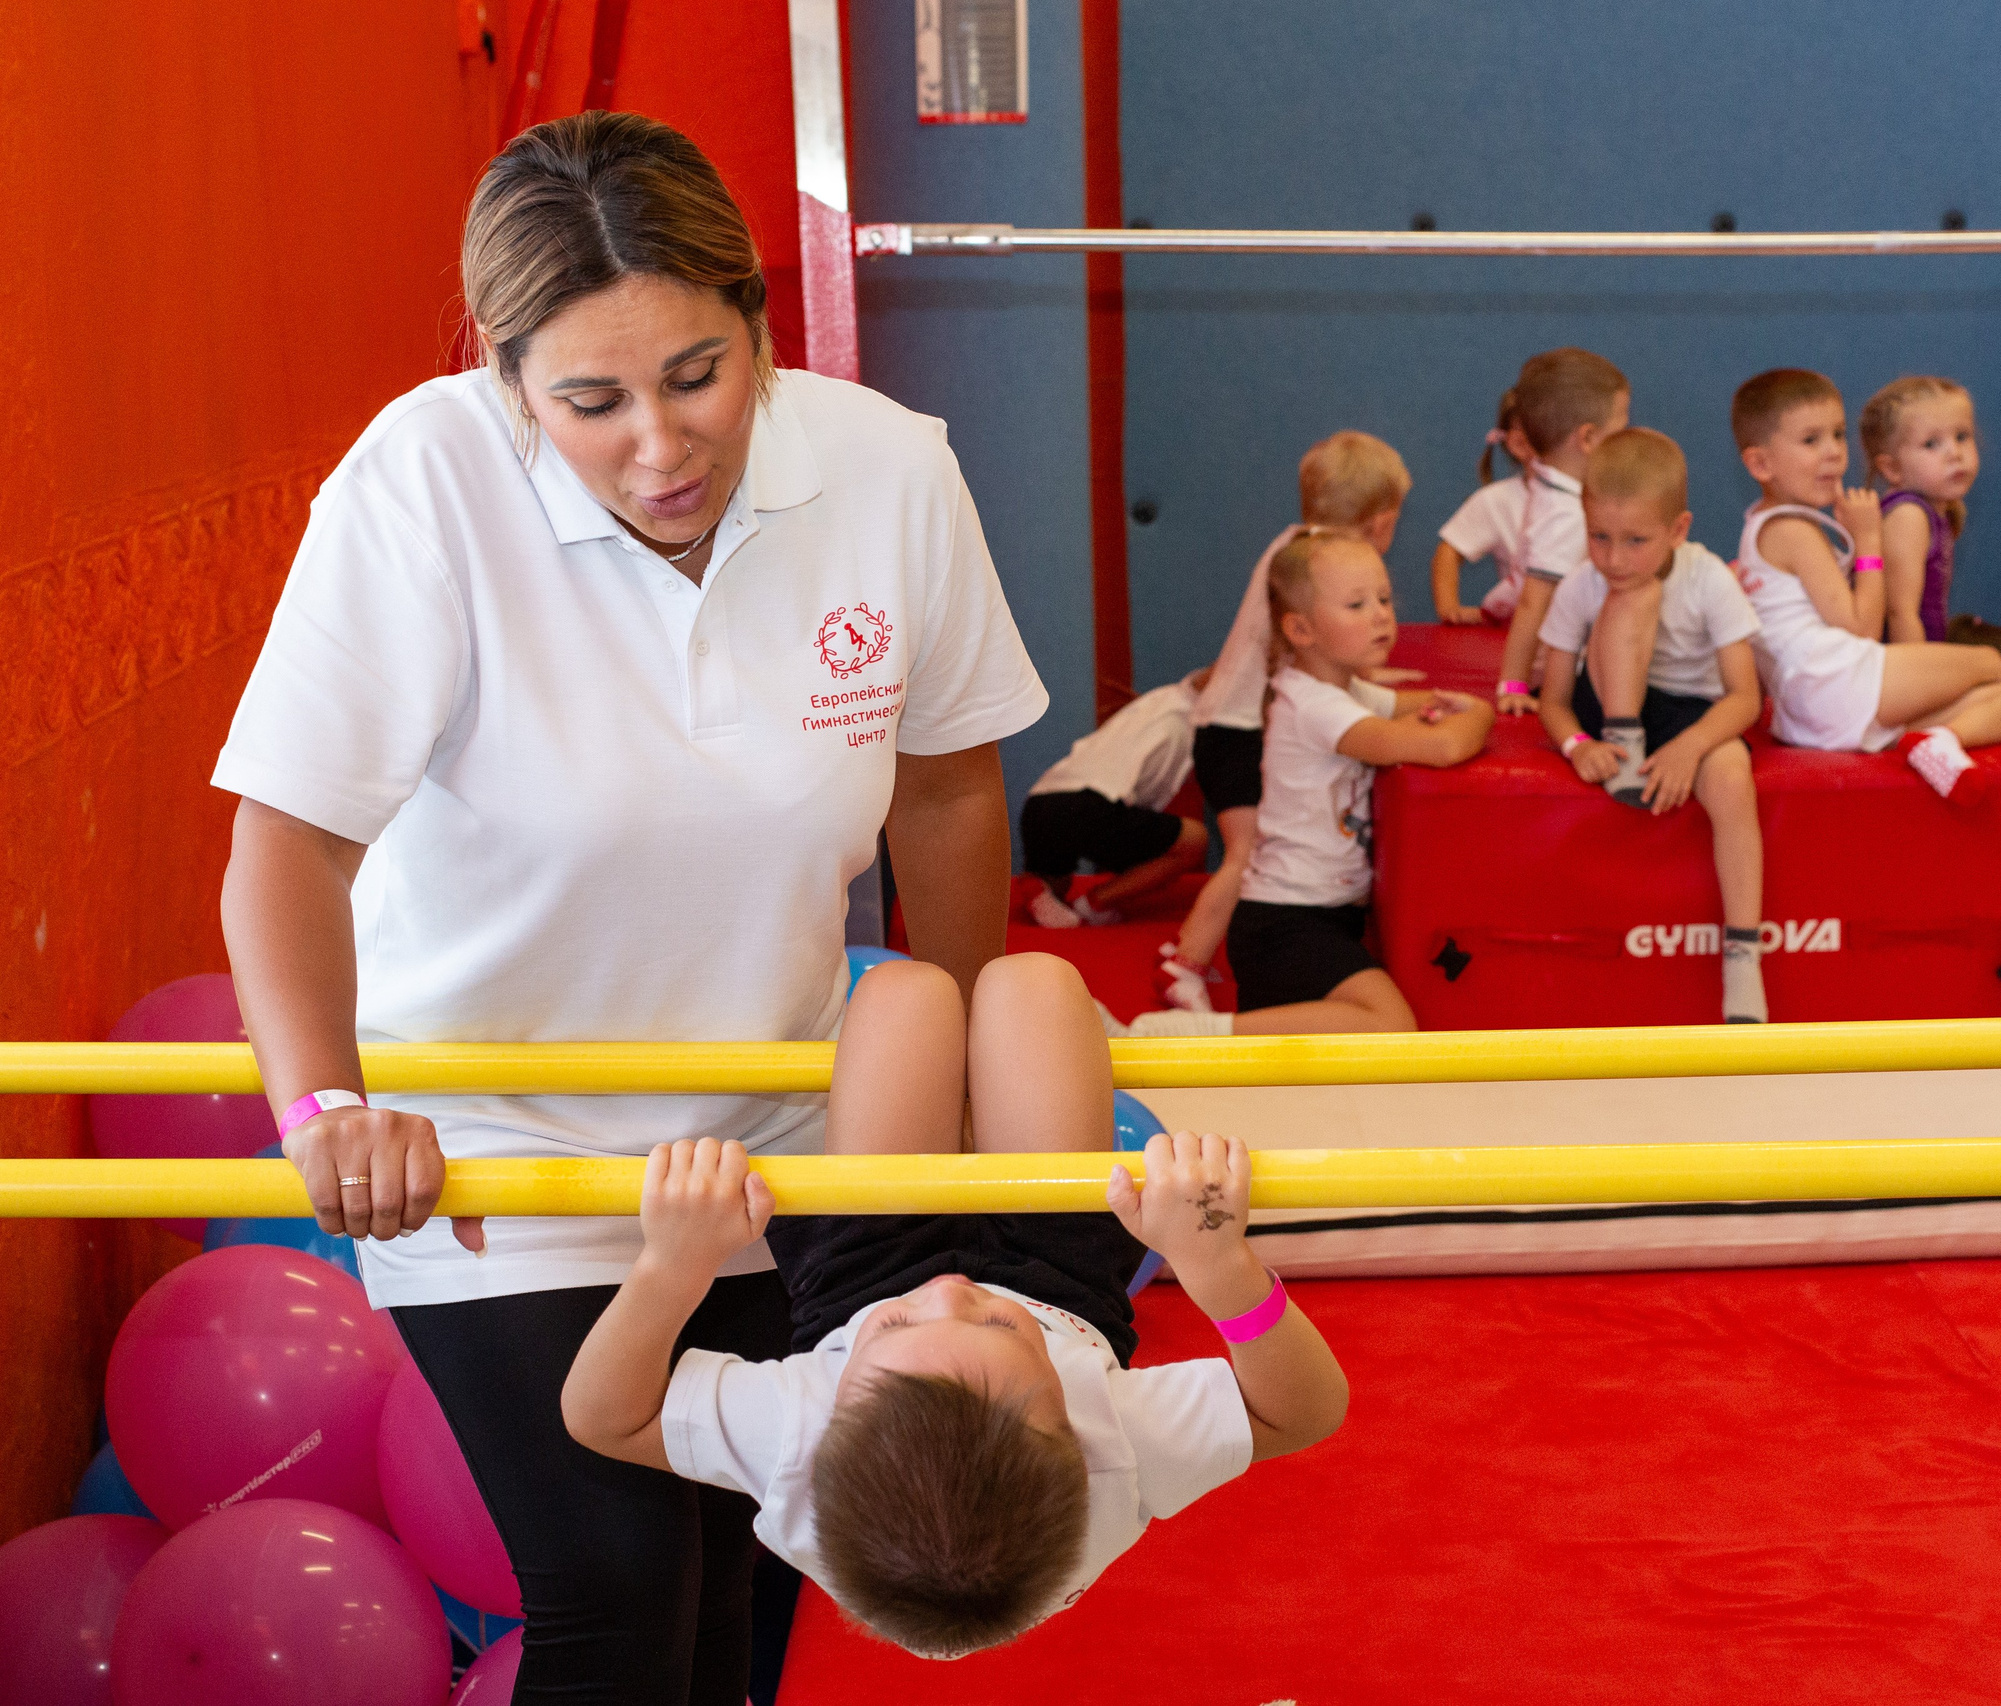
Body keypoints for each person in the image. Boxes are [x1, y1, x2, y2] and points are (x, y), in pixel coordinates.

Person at [212, 113, 1044, 1705]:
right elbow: (287, 846)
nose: (662, 446)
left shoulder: (885, 468)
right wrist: (326, 1103)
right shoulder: (421, 485)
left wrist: (962, 1053)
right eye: (591, 402)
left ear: (760, 328)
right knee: (613, 1589)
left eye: (698, 376)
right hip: (499, 1140)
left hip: (778, 1125)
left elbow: (943, 786)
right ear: (509, 381)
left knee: (755, 1577)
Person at [558, 951, 1348, 1659]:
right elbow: (1302, 1412)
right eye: (992, 1325)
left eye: (909, 1329)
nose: (950, 1293)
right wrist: (1218, 1267)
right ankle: (973, 1215)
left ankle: (946, 1288)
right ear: (1075, 1431)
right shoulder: (1119, 1456)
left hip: (861, 1280)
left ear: (830, 1418)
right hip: (1058, 1285)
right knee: (1033, 983)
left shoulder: (794, 1444)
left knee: (907, 993)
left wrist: (672, 1265)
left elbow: (606, 1417)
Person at [1726, 369, 2001, 847]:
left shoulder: (1766, 525)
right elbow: (1864, 627)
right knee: (1991, 662)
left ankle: (1947, 743)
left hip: (1820, 704)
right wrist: (1868, 540)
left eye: (1838, 435)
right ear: (1761, 464)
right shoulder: (1794, 532)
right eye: (1810, 440)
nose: (1833, 452)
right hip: (1834, 686)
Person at [1162, 431, 1419, 1012]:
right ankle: (1185, 964)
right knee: (1248, 854)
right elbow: (1291, 651)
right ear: (1380, 525)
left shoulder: (1297, 547)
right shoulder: (1306, 564)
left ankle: (1197, 960)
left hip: (1234, 720)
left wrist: (1365, 686)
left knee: (1253, 853)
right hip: (1235, 730)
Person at [1534, 429, 1772, 1021]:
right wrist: (1576, 745)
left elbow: (1746, 698)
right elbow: (1553, 699)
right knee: (1633, 598)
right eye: (1599, 538)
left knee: (1732, 775)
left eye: (1636, 541)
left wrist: (1691, 748)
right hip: (1606, 701)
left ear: (1678, 529)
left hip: (1689, 710)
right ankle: (1624, 732)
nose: (1614, 559)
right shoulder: (1582, 585)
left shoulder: (1708, 577)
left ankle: (1743, 956)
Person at [1859, 374, 2001, 678]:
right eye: (1932, 444)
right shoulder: (1908, 515)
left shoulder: (1933, 512)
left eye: (1962, 436)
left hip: (1916, 659)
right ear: (1892, 468)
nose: (1954, 453)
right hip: (1898, 668)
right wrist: (1919, 688)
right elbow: (1901, 613)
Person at [1489, 348, 1633, 716]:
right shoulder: (1568, 517)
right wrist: (1514, 684)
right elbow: (1533, 603)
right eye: (1620, 428)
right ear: (1586, 438)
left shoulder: (1550, 483)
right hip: (1564, 674)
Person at [1020, 669, 1211, 928]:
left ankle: (1039, 883)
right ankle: (1094, 903)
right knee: (1194, 840)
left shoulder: (1159, 701)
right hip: (1088, 806)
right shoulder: (1196, 717)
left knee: (1058, 886)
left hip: (1039, 802)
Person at [1428, 386, 1537, 624]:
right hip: (1526, 639)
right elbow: (1448, 551)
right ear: (1520, 444)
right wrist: (1450, 609)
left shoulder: (1600, 496)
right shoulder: (1498, 501)